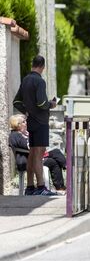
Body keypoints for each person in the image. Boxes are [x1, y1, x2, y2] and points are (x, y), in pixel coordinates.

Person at [13, 55, 57, 196]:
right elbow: (42, 103)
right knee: (39, 154)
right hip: (41, 122)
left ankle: (30, 187)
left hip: (31, 121)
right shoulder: (39, 81)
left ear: (33, 64)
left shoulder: (25, 80)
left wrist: (26, 111)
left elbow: (16, 102)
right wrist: (52, 104)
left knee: (32, 154)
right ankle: (41, 187)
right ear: (42, 67)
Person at [9, 114, 66, 195]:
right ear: (18, 125)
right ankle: (66, 170)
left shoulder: (25, 133)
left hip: (34, 156)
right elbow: (29, 146)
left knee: (54, 157)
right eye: (24, 122)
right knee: (53, 158)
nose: (26, 123)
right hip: (26, 161)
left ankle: (60, 186)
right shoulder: (15, 135)